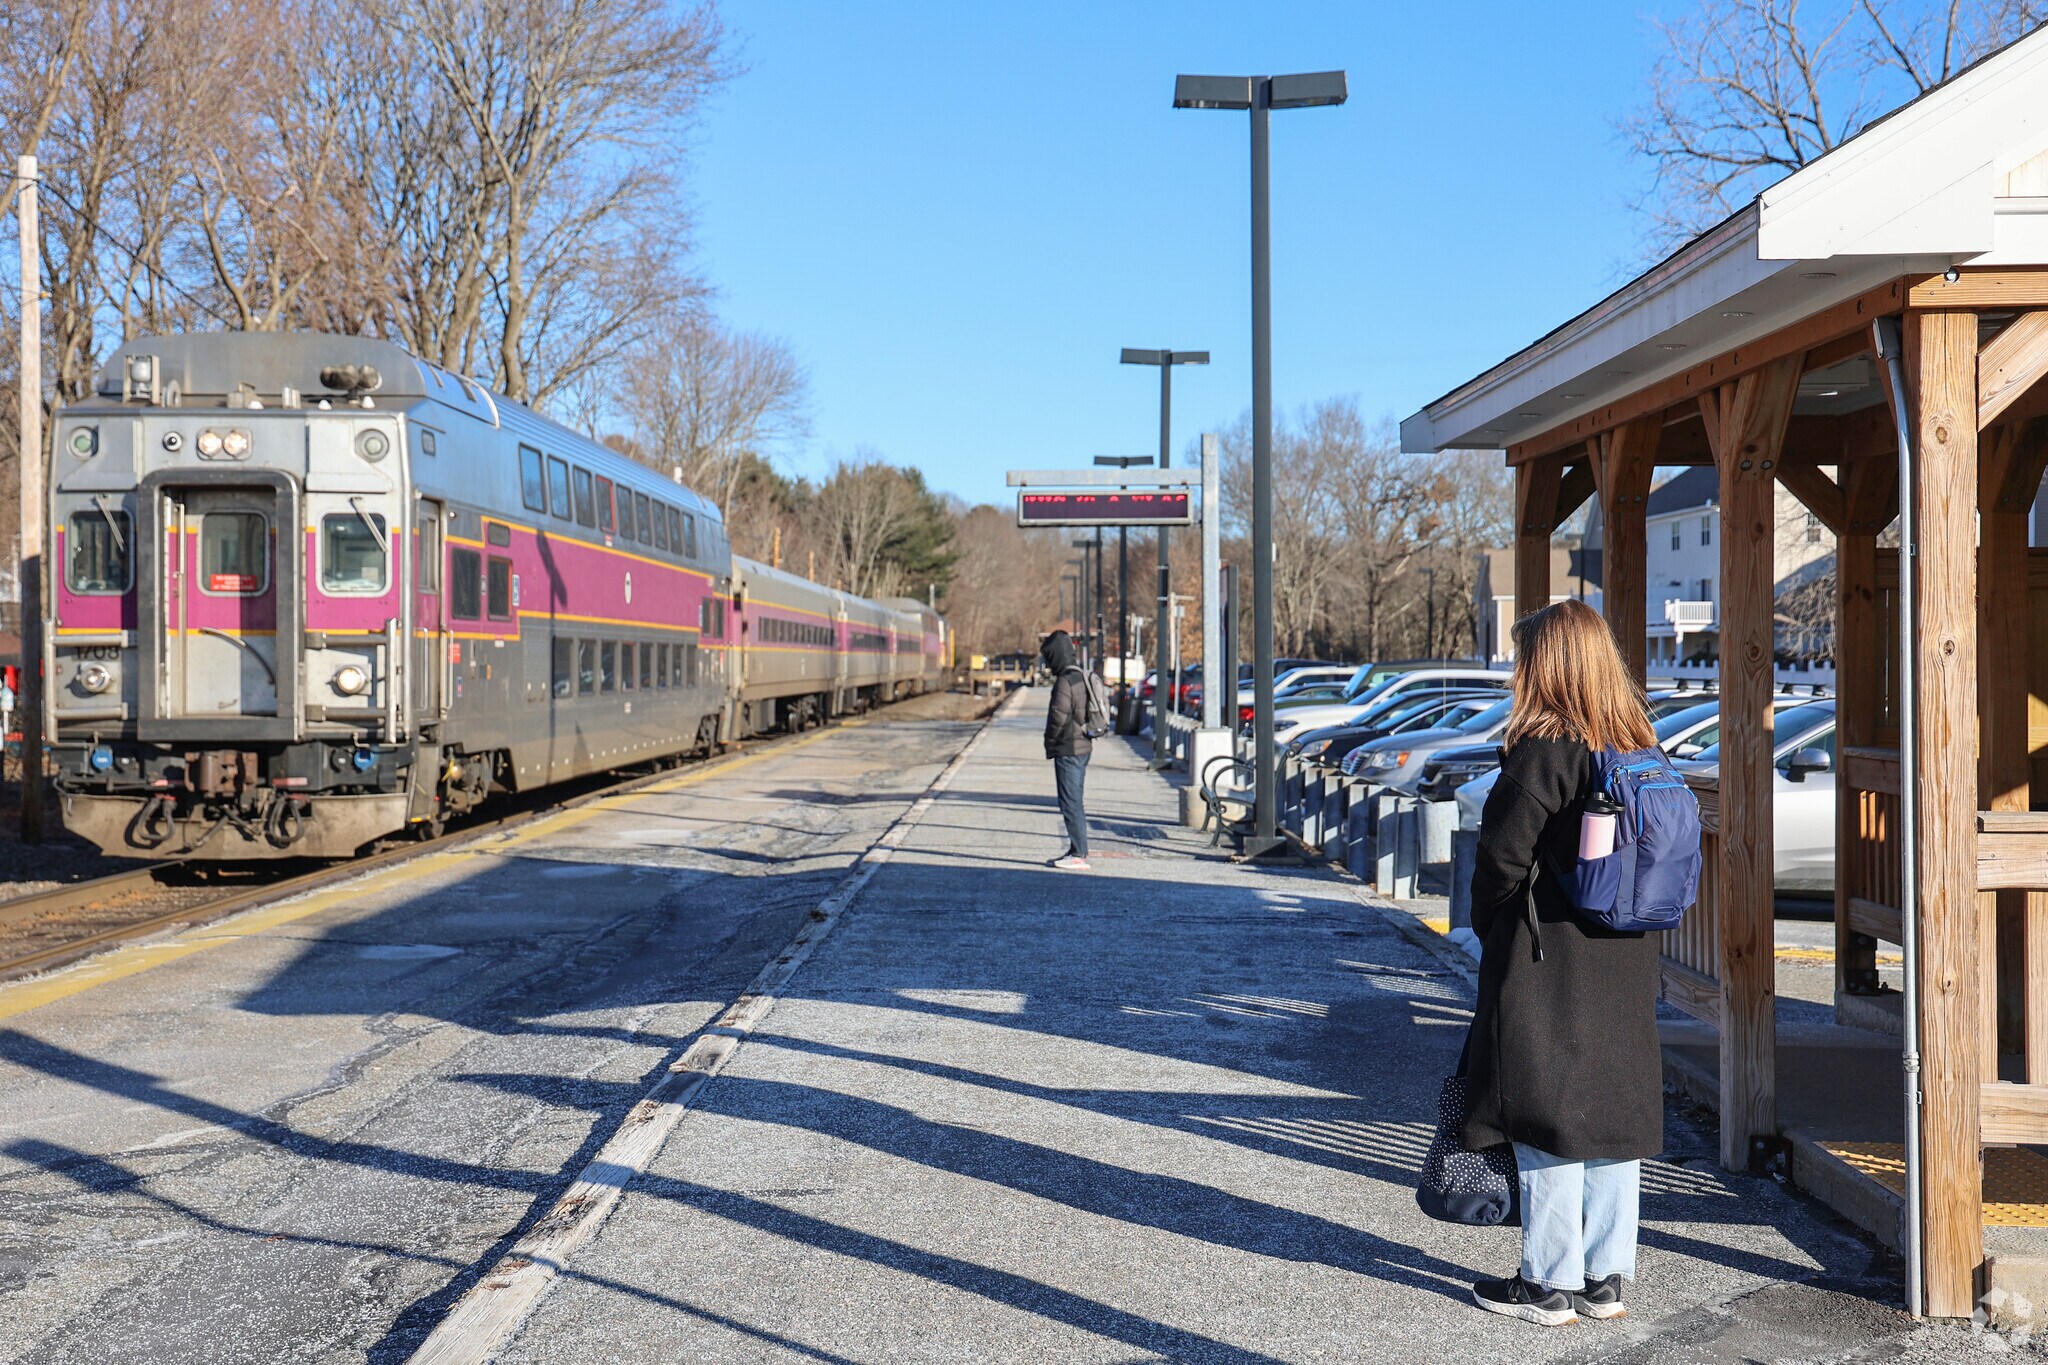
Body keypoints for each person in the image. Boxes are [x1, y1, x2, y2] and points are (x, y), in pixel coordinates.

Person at [1464, 598, 1664, 1327]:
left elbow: (1500, 861)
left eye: (1524, 660)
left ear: (1545, 666)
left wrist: (1491, 928)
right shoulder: (1638, 743)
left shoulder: (1545, 748)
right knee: (1610, 1111)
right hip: (1625, 954)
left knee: (1544, 1110)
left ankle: (1546, 1281)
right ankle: (1605, 1276)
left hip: (1550, 954)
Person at [1040, 630, 1091, 871]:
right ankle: (1075, 849)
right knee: (1074, 800)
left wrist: (1049, 742)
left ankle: (1079, 852)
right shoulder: (1079, 674)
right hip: (1082, 745)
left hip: (1068, 747)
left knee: (1070, 801)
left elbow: (1058, 717)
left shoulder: (1064, 680)